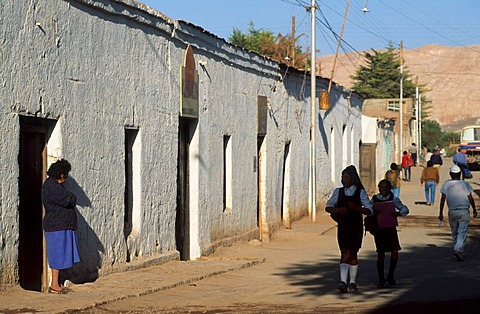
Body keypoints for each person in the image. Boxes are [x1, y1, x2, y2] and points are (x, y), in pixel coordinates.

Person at [325, 165, 373, 293]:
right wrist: (338, 210)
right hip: (343, 226)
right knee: (344, 251)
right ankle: (343, 281)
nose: (343, 180)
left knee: (353, 253)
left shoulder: (360, 193)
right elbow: (328, 206)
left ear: (352, 179)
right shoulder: (338, 192)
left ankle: (352, 281)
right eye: (342, 177)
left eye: (345, 177)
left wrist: (357, 208)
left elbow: (369, 210)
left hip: (355, 226)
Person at [42, 159, 80, 294]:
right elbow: (68, 199)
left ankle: (56, 284)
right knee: (57, 255)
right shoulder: (52, 187)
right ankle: (54, 285)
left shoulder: (52, 185)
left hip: (58, 225)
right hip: (56, 226)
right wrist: (72, 197)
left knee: (59, 253)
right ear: (61, 174)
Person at [370, 179, 409, 288]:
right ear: (379, 188)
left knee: (394, 252)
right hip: (379, 229)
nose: (383, 190)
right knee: (380, 254)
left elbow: (405, 209)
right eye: (381, 187)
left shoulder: (394, 199)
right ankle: (381, 279)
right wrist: (374, 212)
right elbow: (368, 210)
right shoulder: (374, 199)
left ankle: (390, 275)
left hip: (390, 228)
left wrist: (398, 213)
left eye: (386, 187)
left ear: (389, 189)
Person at [438, 164, 478, 262]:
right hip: (464, 211)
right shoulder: (465, 184)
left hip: (452, 211)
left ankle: (457, 249)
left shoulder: (446, 184)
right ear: (460, 174)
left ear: (450, 174)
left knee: (454, 232)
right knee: (462, 232)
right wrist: (474, 209)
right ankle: (458, 250)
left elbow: (442, 199)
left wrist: (440, 213)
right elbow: (470, 198)